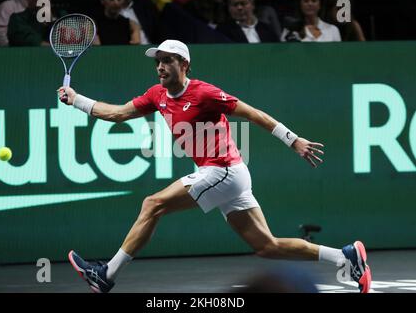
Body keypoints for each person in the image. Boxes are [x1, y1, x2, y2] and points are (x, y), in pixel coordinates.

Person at [58, 39, 372, 294]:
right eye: (157, 61)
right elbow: (116, 113)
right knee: (267, 246)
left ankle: (107, 275)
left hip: (223, 170)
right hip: (226, 176)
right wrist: (76, 100)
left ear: (184, 65)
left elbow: (253, 113)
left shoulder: (205, 93)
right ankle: (345, 257)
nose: (160, 67)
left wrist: (293, 140)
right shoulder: (157, 95)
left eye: (167, 60)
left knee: (152, 204)